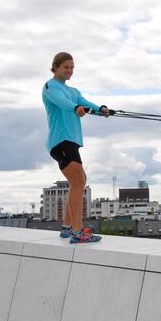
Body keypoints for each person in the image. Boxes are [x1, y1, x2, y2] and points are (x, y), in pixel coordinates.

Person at [42, 52, 110, 243]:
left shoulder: (73, 91)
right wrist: (75, 108)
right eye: (66, 67)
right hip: (60, 141)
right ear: (55, 67)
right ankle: (77, 232)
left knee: (78, 182)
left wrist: (101, 110)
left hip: (70, 141)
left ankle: (67, 228)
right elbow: (64, 103)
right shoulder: (50, 86)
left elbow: (85, 104)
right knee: (79, 181)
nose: (70, 70)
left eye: (72, 67)